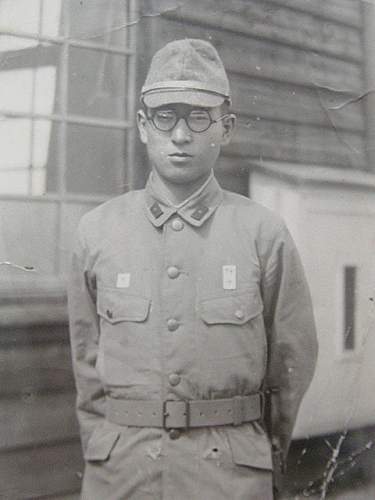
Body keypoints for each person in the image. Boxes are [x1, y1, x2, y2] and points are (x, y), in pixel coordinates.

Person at [68, 38, 318, 500]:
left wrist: (258, 453)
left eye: (198, 117)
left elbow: (292, 363)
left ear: (226, 127)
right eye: (166, 116)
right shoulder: (96, 232)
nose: (180, 135)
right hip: (122, 475)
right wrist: (108, 447)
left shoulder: (263, 234)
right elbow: (87, 366)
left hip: (229, 476)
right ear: (144, 126)